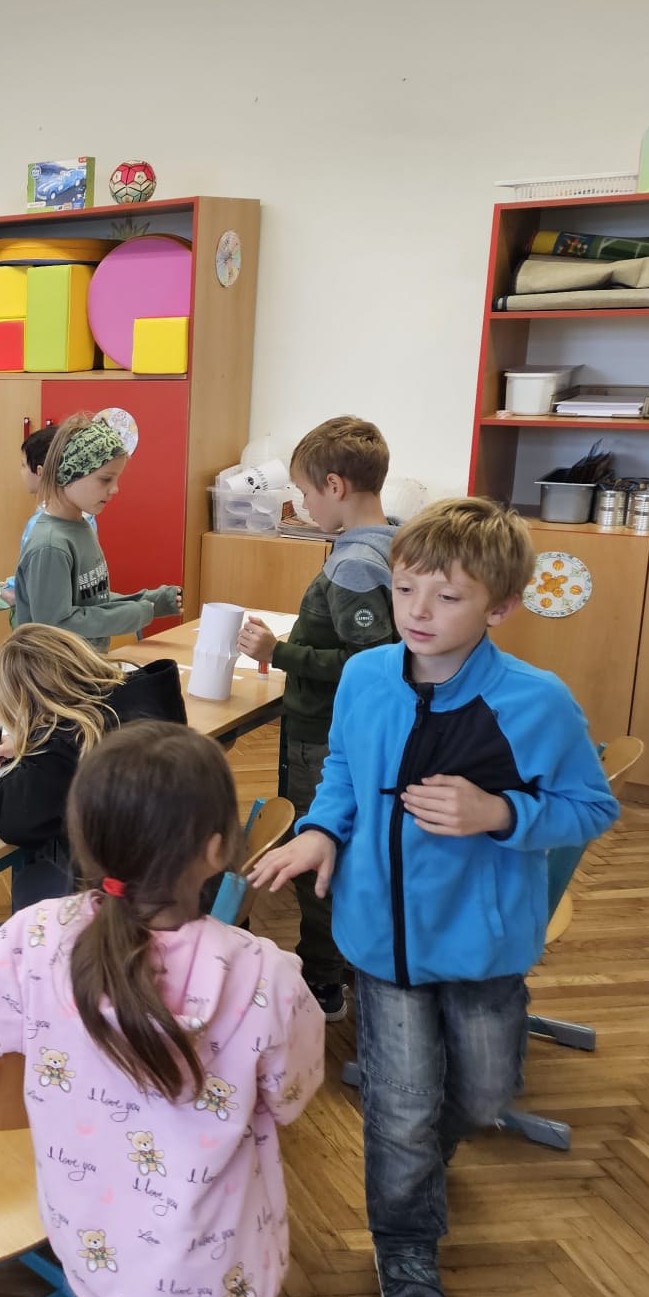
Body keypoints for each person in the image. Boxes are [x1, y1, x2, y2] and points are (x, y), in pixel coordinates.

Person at [249, 497, 617, 1297]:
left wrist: (500, 813)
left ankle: (421, 1160)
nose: (418, 611)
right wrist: (321, 830)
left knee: (483, 1095)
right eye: (406, 588)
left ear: (501, 606)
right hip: (380, 944)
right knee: (402, 1108)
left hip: (486, 944)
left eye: (448, 597)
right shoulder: (366, 677)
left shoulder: (536, 702)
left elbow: (591, 807)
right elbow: (344, 770)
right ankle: (405, 1245)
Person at [0, 722, 324, 1297]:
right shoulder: (267, 975)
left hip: (96, 1249)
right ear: (217, 849)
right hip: (211, 1279)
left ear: (85, 840)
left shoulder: (35, 937)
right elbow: (291, 1095)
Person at [236, 416, 398, 1020]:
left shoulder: (355, 564)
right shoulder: (391, 540)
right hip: (342, 729)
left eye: (306, 492)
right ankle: (349, 959)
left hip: (327, 732)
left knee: (317, 852)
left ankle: (323, 981)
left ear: (335, 485)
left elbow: (368, 661)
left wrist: (279, 652)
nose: (303, 505)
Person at [0, 623, 185, 960]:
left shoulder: (66, 750)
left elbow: (8, 815)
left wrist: (35, 744)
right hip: (180, 892)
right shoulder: (146, 697)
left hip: (124, 928)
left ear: (31, 707)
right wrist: (32, 740)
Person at [14, 413, 179, 651]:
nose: (115, 489)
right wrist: (134, 614)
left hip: (84, 665)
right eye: (105, 480)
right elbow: (55, 625)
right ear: (68, 474)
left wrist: (150, 602)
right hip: (56, 671)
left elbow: (91, 601)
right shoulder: (50, 545)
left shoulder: (81, 527)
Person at [0, 424, 54, 612]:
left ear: (40, 472)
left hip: (38, 622)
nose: (21, 471)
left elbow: (26, 582)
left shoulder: (40, 525)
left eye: (23, 465)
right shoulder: (84, 519)